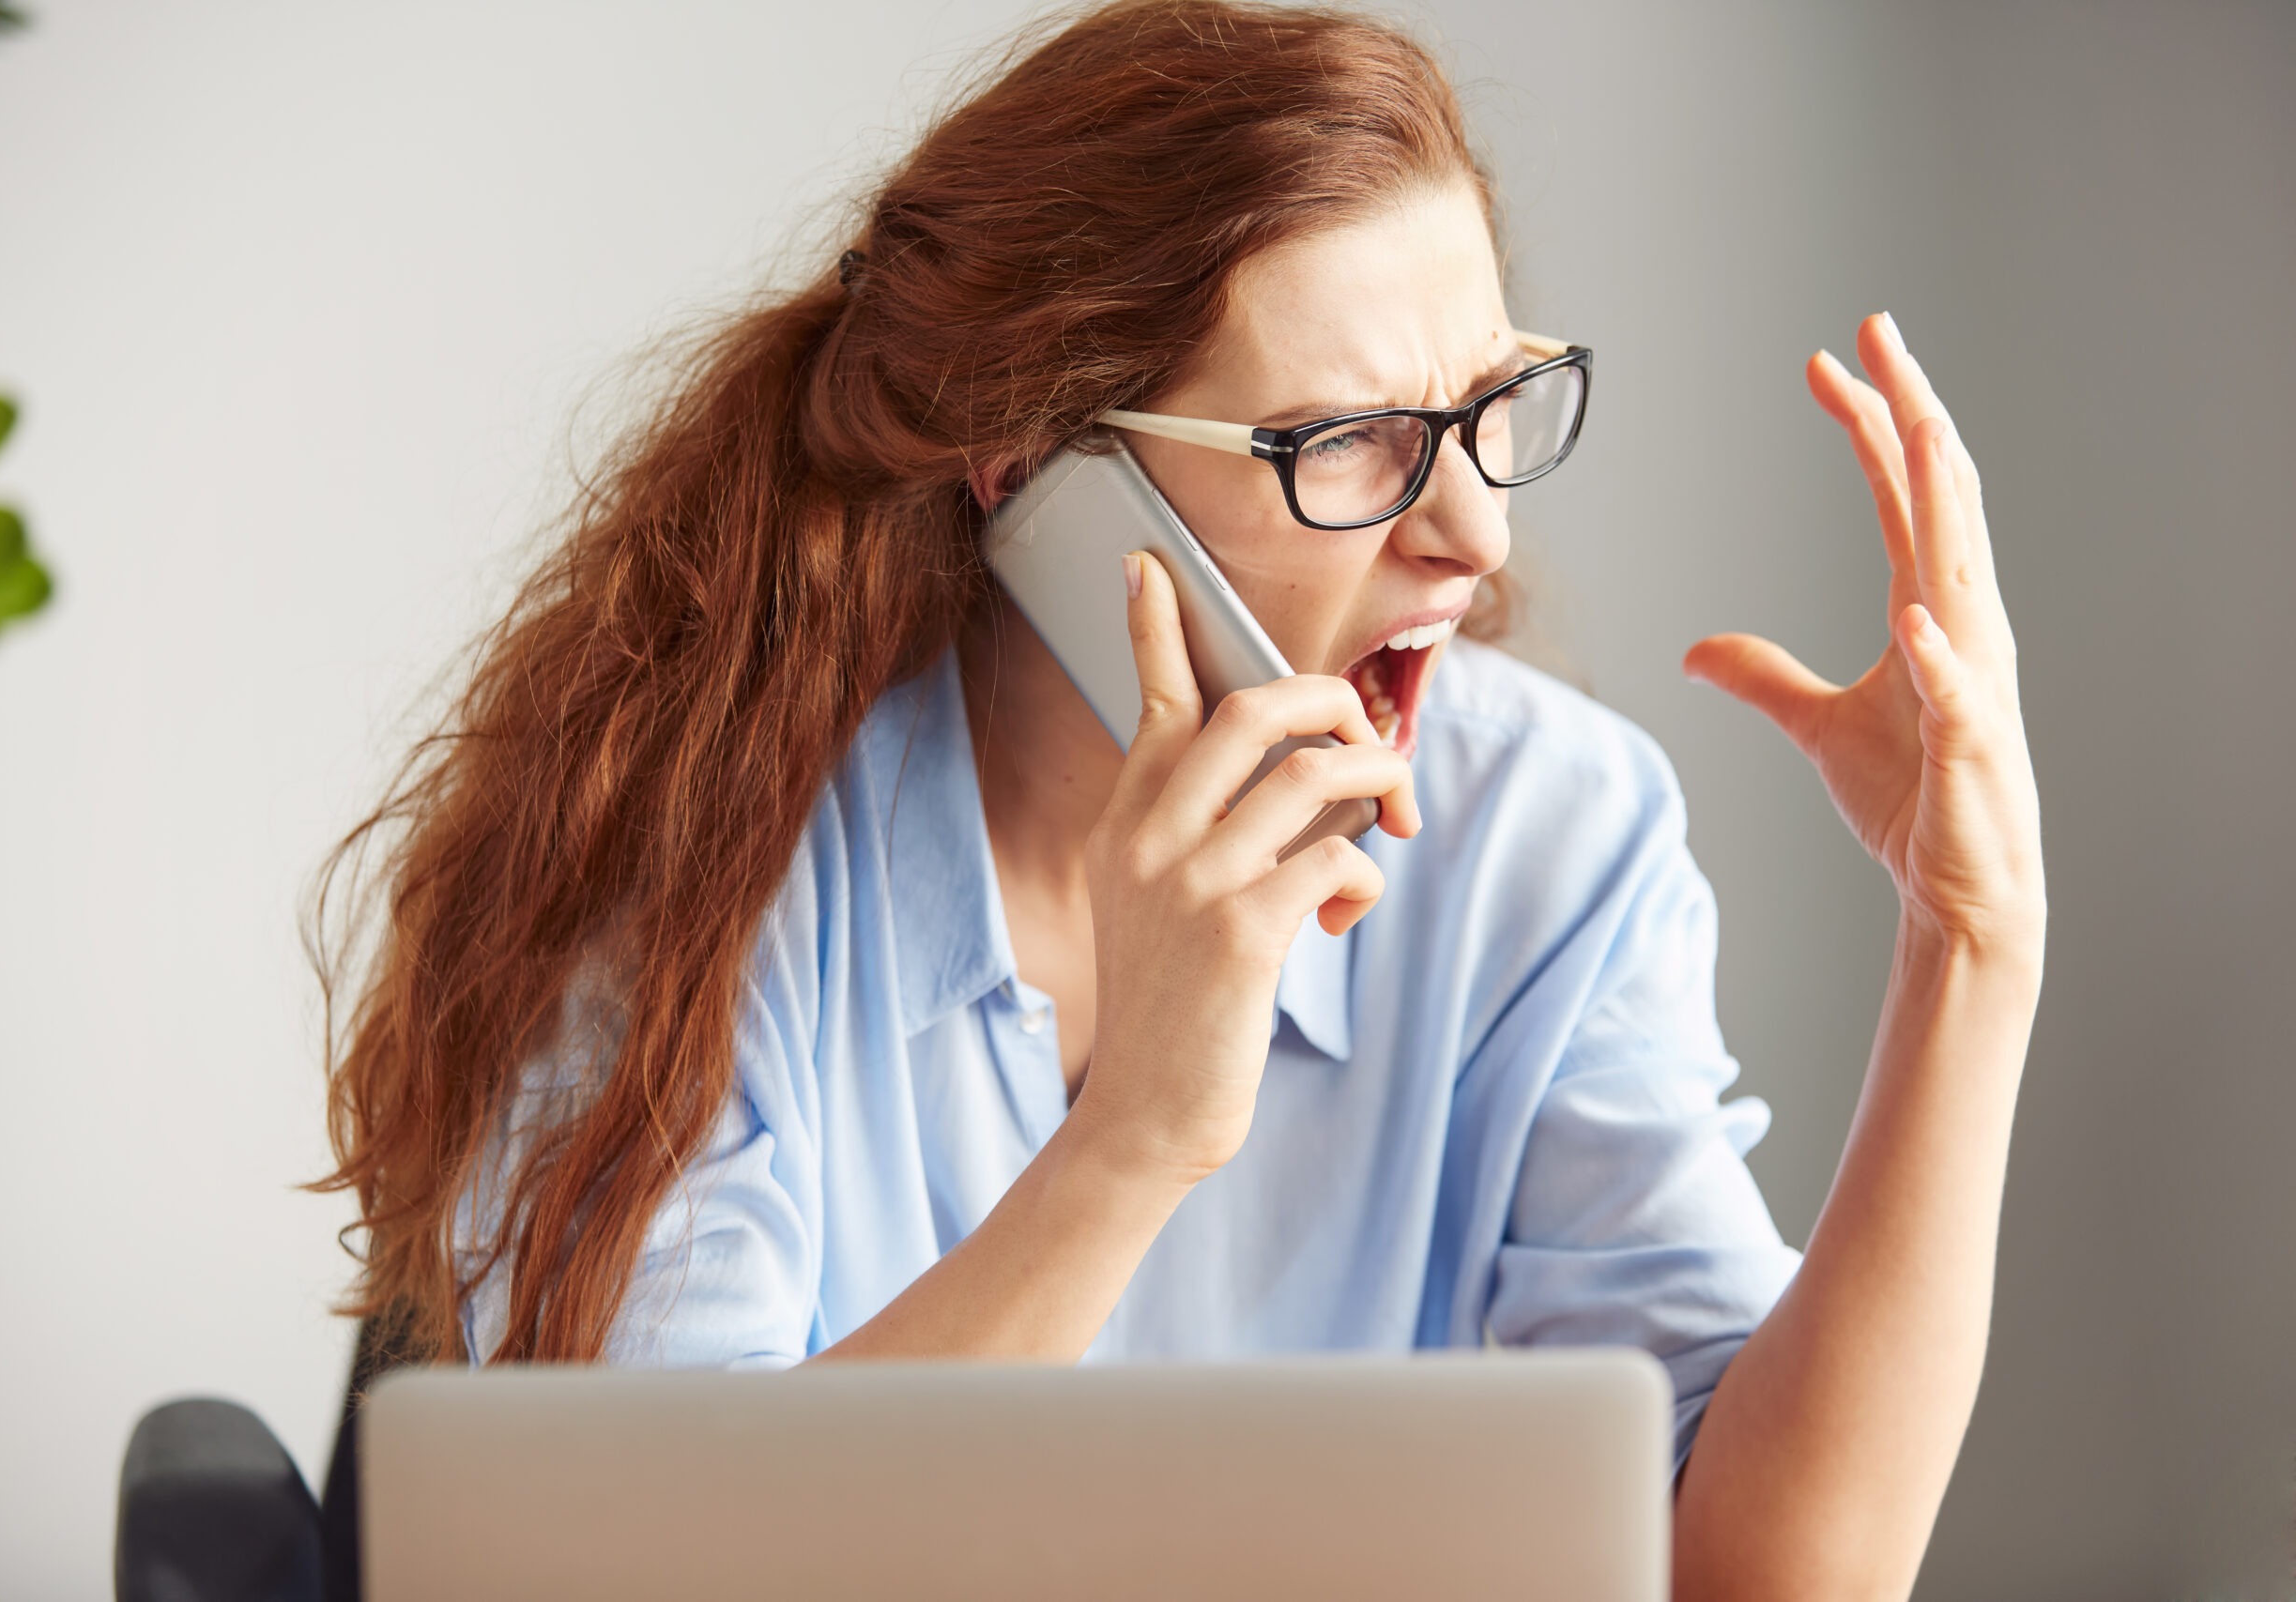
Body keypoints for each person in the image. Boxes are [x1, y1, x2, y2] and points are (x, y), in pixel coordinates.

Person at [310, 2, 2045, 1594]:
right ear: (1034, 475)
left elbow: (1763, 1584)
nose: (1476, 534)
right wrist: (1136, 1133)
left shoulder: (1550, 835)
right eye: (1345, 441)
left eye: (1489, 406)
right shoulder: (693, 860)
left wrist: (1971, 948)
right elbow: (653, 1580)